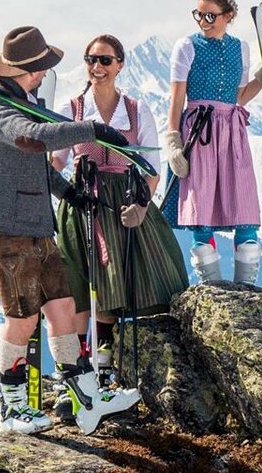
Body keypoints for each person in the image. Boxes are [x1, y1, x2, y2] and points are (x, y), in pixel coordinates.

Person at [0, 25, 131, 433]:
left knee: (61, 307)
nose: (45, 75)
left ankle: (84, 393)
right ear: (23, 70)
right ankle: (11, 405)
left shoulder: (21, 100)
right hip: (6, 229)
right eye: (40, 68)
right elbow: (33, 140)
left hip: (35, 225)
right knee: (22, 317)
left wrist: (68, 193)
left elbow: (35, 167)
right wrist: (91, 129)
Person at [52, 35, 189, 383]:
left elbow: (153, 167)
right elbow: (57, 160)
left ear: (119, 64)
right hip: (82, 199)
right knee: (80, 282)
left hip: (125, 200)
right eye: (91, 60)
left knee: (118, 280)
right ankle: (79, 366)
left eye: (105, 60)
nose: (97, 67)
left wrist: (142, 209)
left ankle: (105, 356)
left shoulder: (136, 109)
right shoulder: (72, 109)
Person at [161, 0, 262, 284]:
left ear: (229, 16)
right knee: (201, 207)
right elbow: (177, 98)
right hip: (198, 129)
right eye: (199, 15)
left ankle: (246, 288)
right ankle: (214, 287)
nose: (203, 22)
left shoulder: (241, 48)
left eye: (211, 16)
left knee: (242, 203)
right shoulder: (187, 46)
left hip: (231, 130)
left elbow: (240, 96)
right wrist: (173, 141)